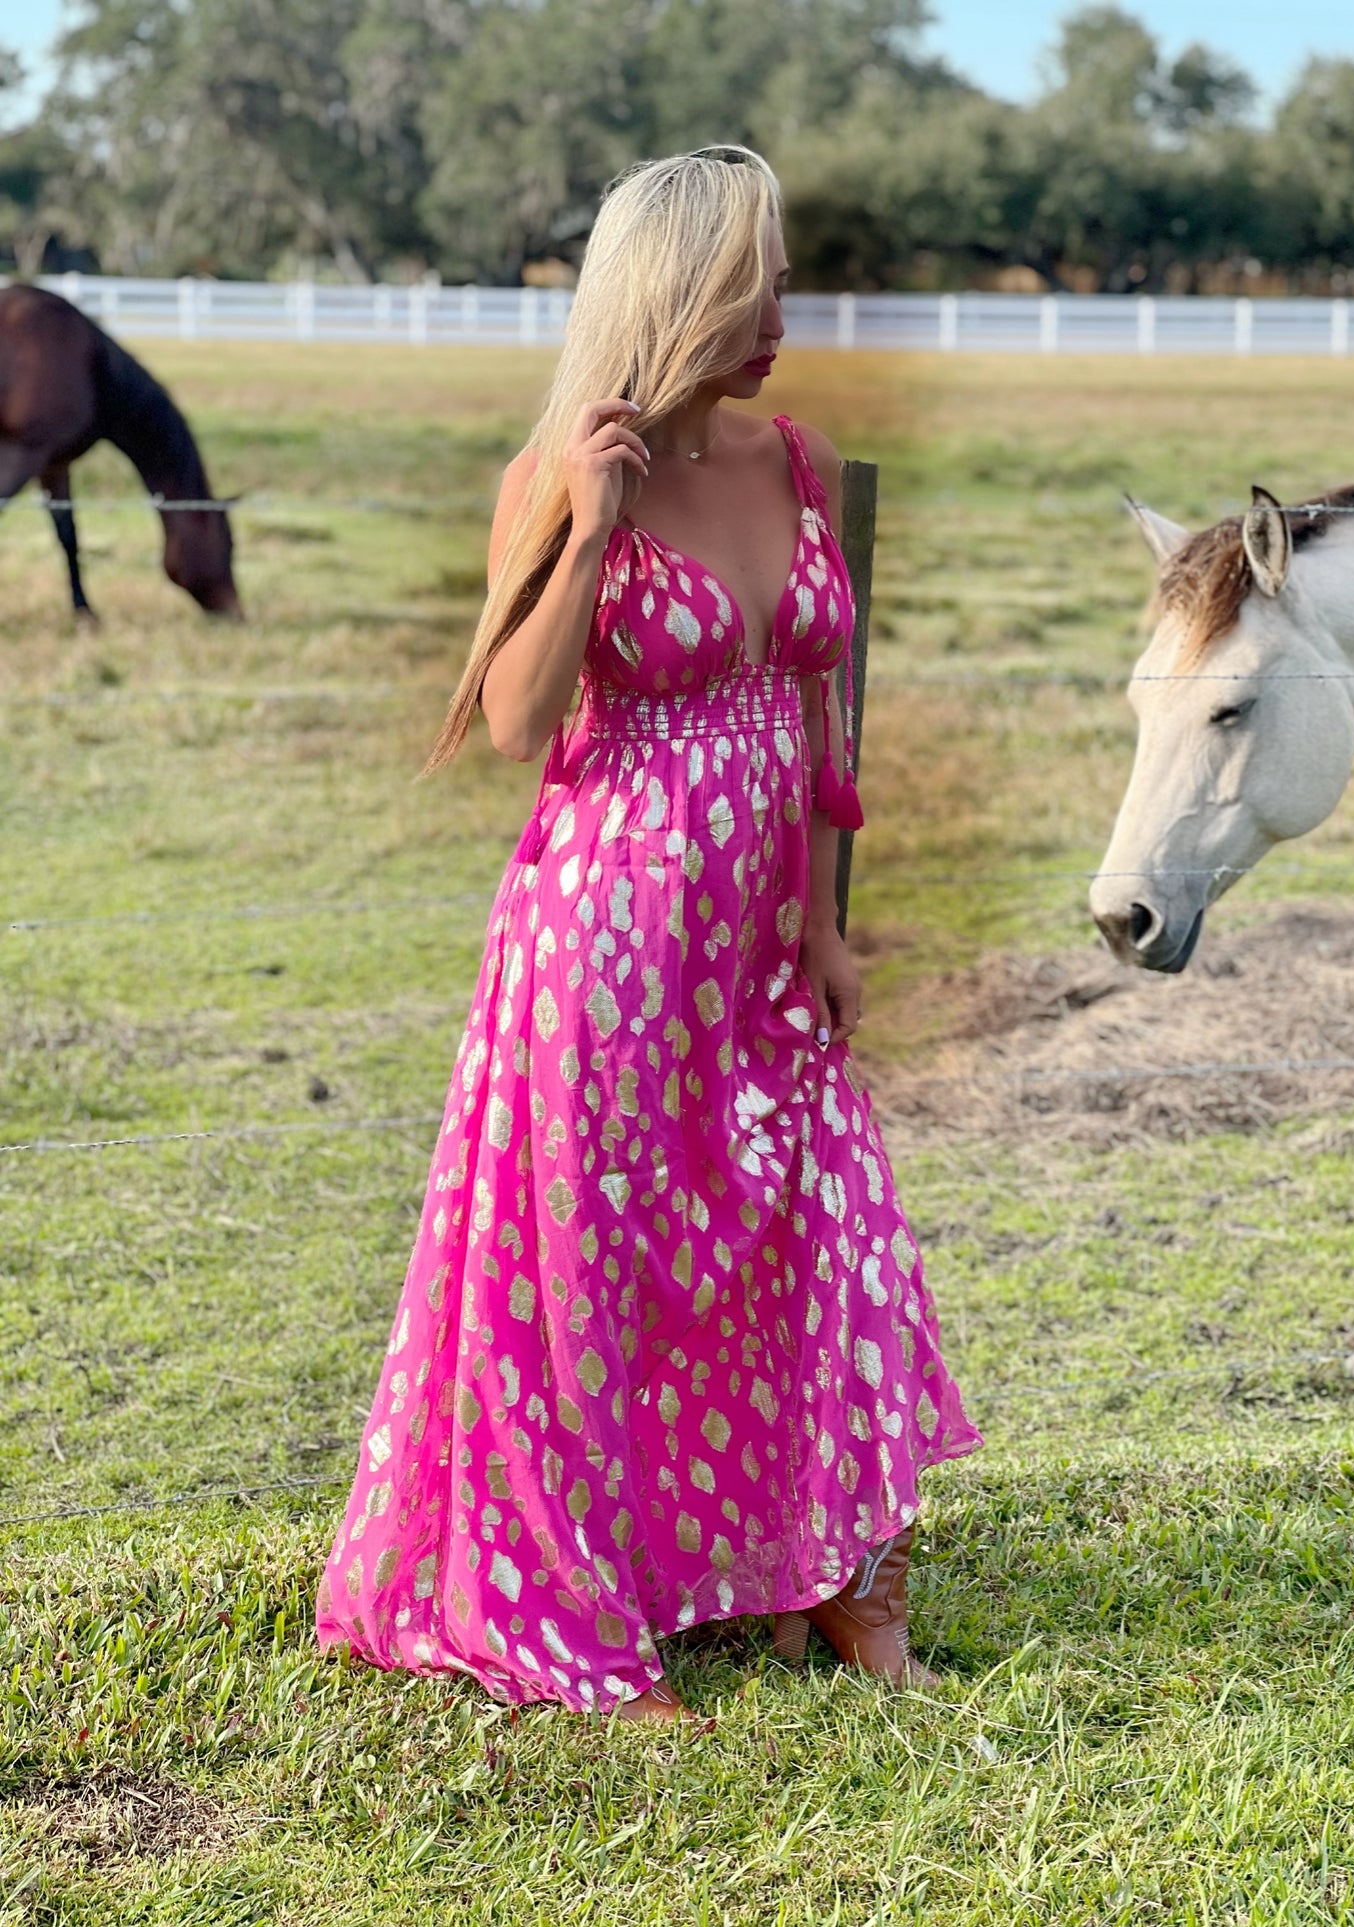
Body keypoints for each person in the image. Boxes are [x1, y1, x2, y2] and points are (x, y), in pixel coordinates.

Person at [316, 146, 980, 1722]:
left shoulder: (796, 461)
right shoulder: (559, 471)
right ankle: (571, 1603)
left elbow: (819, 707)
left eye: (780, 275)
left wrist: (823, 918)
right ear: (669, 291)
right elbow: (517, 718)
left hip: (758, 948)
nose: (777, 309)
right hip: (600, 946)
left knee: (816, 1236)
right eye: (749, 279)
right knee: (596, 1280)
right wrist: (595, 516)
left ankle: (835, 1575)